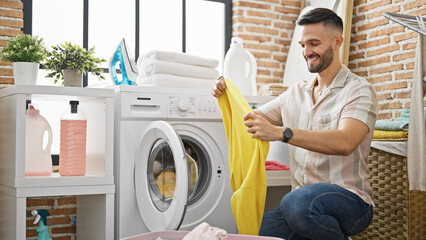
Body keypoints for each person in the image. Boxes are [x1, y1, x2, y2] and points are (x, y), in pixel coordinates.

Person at [212, 8, 378, 240]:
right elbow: (249, 120)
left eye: (314, 43)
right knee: (257, 235)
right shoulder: (295, 93)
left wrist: (282, 133)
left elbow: (345, 142)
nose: (306, 52)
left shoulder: (359, 90)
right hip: (303, 207)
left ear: (337, 41)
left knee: (296, 203)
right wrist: (226, 94)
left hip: (351, 202)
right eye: (302, 45)